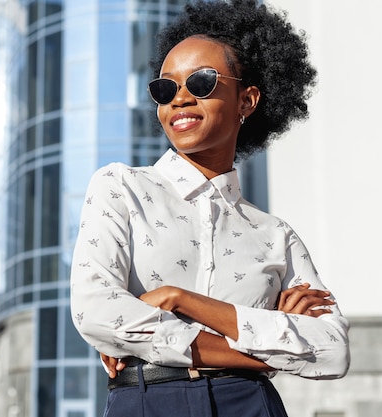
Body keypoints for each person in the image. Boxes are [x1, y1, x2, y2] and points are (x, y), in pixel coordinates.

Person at [69, 0, 350, 416]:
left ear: (247, 100)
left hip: (250, 405)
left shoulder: (275, 234)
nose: (179, 99)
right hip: (146, 402)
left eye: (201, 82)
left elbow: (332, 352)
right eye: (165, 88)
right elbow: (95, 312)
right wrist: (266, 346)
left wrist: (179, 300)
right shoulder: (119, 187)